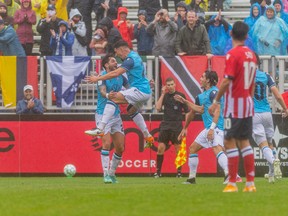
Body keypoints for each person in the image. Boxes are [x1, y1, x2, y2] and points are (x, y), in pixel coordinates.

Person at [209, 21, 257, 193]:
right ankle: (250, 184)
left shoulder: (232, 54)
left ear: (231, 34)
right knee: (244, 142)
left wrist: (216, 101)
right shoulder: (252, 55)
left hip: (233, 106)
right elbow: (251, 83)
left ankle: (232, 183)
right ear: (246, 36)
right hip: (247, 104)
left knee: (229, 141)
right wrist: (248, 100)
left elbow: (227, 80)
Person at [85, 40, 154, 148]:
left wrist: (97, 78)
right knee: (131, 110)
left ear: (122, 49)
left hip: (140, 90)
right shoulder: (136, 57)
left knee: (113, 98)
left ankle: (100, 128)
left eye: (117, 52)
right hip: (145, 91)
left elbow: (116, 73)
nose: (117, 55)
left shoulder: (130, 59)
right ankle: (148, 136)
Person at [175, 71, 229, 184]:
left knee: (217, 149)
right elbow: (199, 110)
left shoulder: (214, 92)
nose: (200, 78)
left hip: (216, 128)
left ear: (208, 80)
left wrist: (212, 129)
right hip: (208, 128)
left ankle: (229, 175)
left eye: (202, 76)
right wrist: (185, 102)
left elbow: (217, 110)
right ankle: (191, 178)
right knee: (192, 148)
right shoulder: (202, 95)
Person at [252, 53, 288, 183]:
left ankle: (274, 161)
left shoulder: (246, 77)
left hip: (254, 114)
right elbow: (277, 96)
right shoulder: (266, 76)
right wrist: (285, 108)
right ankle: (271, 174)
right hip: (267, 113)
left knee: (263, 145)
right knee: (270, 143)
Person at [93, 54, 128, 184]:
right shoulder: (102, 76)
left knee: (120, 147)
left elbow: (131, 87)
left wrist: (146, 86)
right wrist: (107, 94)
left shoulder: (120, 76)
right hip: (103, 114)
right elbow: (102, 91)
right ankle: (106, 174)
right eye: (113, 61)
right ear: (106, 65)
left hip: (116, 115)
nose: (116, 62)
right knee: (106, 143)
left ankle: (112, 173)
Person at [154, 77, 189, 178]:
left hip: (177, 126)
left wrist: (185, 127)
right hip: (165, 125)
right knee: (160, 148)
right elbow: (158, 107)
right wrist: (162, 94)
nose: (169, 87)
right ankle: (158, 172)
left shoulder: (180, 96)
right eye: (168, 85)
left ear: (175, 85)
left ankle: (179, 172)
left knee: (178, 149)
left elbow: (187, 112)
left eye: (171, 84)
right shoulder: (165, 96)